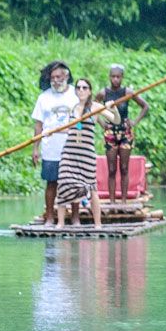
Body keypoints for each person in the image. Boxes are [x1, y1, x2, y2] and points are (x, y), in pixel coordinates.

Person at [54, 78, 113, 227]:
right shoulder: (73, 108)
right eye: (78, 87)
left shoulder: (95, 107)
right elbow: (69, 129)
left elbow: (115, 120)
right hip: (69, 152)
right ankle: (60, 223)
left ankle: (98, 224)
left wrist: (114, 109)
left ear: (90, 90)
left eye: (84, 87)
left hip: (86, 155)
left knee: (91, 188)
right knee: (63, 183)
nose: (81, 90)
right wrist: (50, 132)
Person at [98, 63, 150, 201]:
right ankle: (112, 200)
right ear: (109, 77)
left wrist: (134, 122)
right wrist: (102, 124)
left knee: (124, 167)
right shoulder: (104, 93)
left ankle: (124, 201)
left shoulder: (127, 92)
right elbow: (93, 108)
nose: (115, 79)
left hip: (125, 133)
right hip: (110, 133)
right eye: (113, 77)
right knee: (111, 169)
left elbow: (145, 106)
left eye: (118, 77)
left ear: (122, 78)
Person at [31, 61, 74, 226]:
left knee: (72, 181)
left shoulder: (75, 94)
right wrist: (36, 148)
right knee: (51, 182)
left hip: (71, 146)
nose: (55, 80)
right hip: (50, 147)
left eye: (59, 77)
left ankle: (74, 217)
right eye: (52, 77)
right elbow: (38, 125)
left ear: (66, 76)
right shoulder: (44, 97)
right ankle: (50, 217)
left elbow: (81, 120)